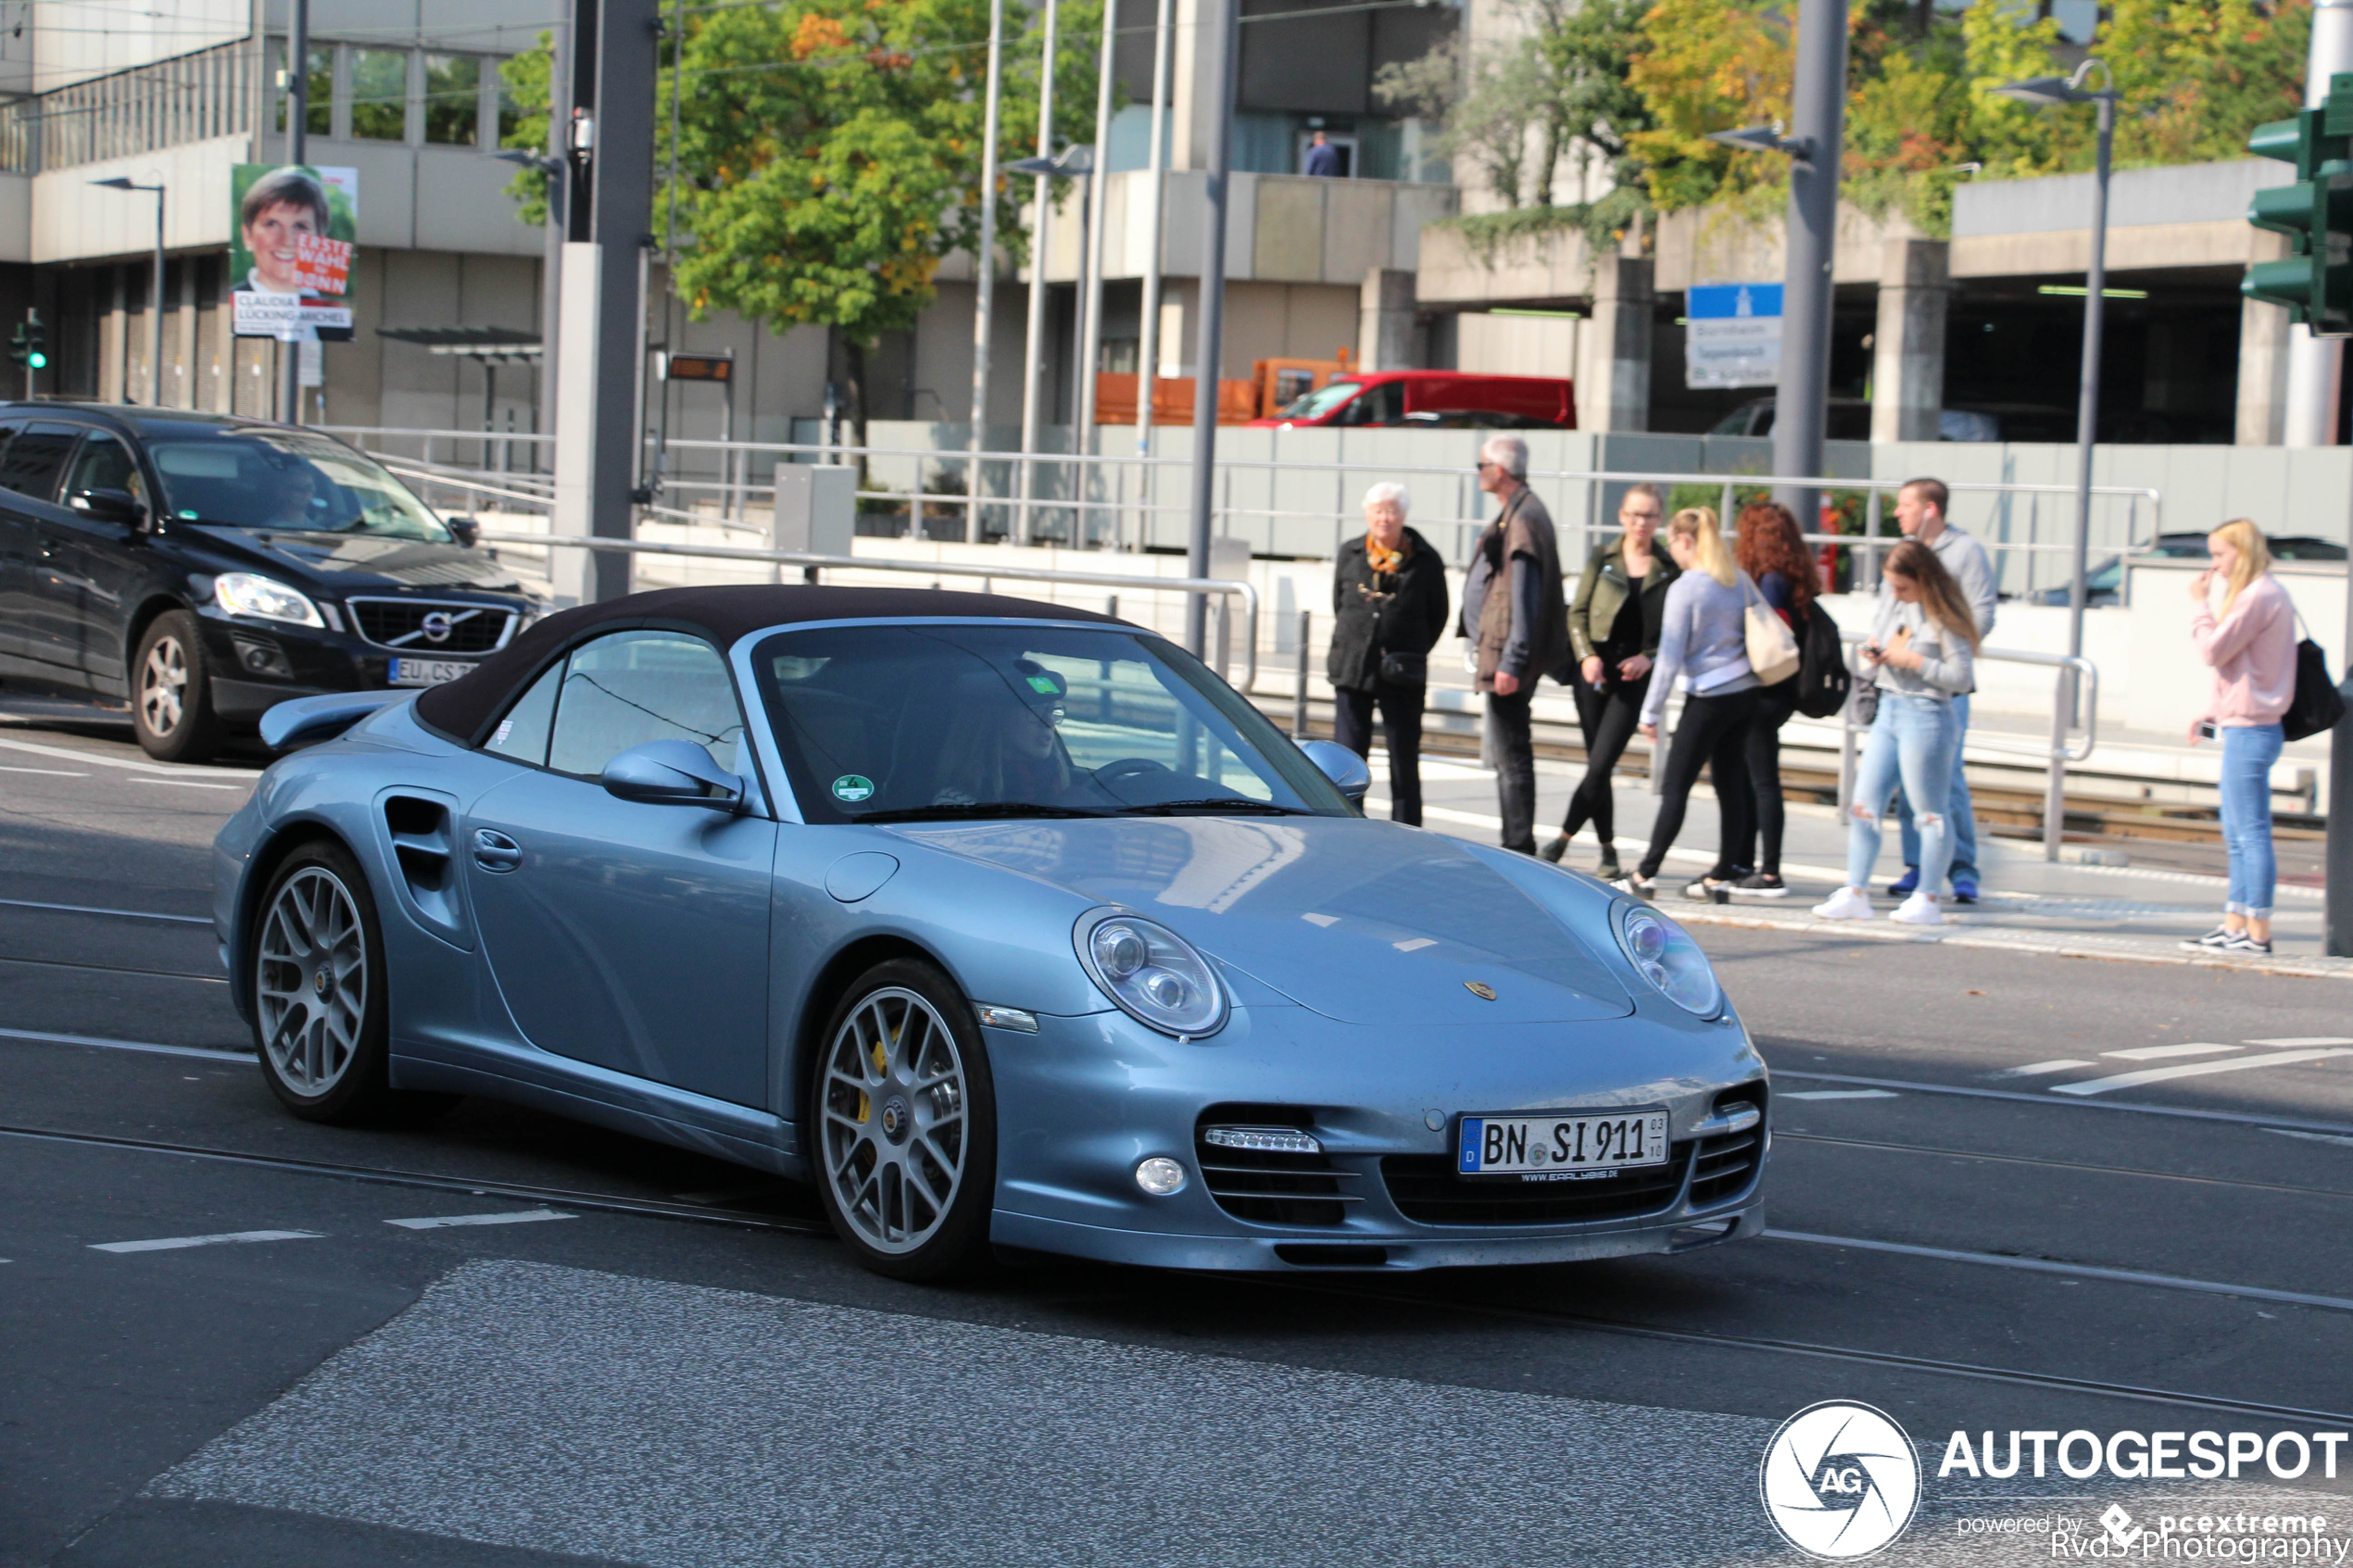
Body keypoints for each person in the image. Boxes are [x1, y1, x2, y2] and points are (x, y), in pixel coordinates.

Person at [1812, 539, 1981, 926]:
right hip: (1890, 706)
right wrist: (1876, 653)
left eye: (1903, 587)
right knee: (1864, 803)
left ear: (1923, 580)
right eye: (1891, 585)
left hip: (1927, 713)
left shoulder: (1945, 617)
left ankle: (1929, 896)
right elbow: (1886, 642)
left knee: (1929, 812)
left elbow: (1961, 677)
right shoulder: (1897, 606)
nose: (1896, 594)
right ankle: (1856, 890)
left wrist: (1916, 661)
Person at [1542, 482, 1677, 878]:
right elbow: (1577, 613)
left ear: (1659, 519)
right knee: (1596, 766)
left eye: (1649, 515)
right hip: (1595, 673)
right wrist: (1585, 656)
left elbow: (1674, 632)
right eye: (1634, 514)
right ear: (1622, 516)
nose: (1641, 522)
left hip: (1632, 677)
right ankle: (1608, 849)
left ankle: (1562, 840)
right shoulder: (1602, 557)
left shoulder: (1668, 568)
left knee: (1601, 764)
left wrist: (1648, 658)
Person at [1629, 508, 1759, 900]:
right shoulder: (1738, 579)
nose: (1673, 551)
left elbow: (1669, 656)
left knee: (1676, 786)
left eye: (1672, 543)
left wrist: (1650, 712)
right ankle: (1721, 875)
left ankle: (1645, 873)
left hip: (1707, 695)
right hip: (1746, 691)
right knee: (1730, 784)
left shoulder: (1686, 587)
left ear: (1685, 541)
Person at [2181, 520, 2296, 957]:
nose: (2215, 566)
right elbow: (2240, 666)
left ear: (2242, 552)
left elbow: (2213, 651)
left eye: (2219, 555)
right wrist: (2214, 712)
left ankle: (2257, 930)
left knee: (2250, 832)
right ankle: (2235, 924)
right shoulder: (2262, 594)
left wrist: (2199, 606)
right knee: (2236, 831)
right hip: (2244, 724)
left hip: (2254, 728)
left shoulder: (2258, 596)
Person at [1885, 477, 1995, 904]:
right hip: (1903, 685)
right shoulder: (1903, 555)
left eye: (1905, 505)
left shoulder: (1965, 552)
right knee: (1907, 783)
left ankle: (1963, 869)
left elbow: (1982, 612)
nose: (1898, 513)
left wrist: (1947, 643)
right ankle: (1917, 865)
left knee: (1946, 780)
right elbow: (1892, 611)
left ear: (1930, 509)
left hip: (1944, 688)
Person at [1461, 434, 1567, 854]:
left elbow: (1525, 597)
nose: (1479, 472)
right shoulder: (1518, 512)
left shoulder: (1523, 519)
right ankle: (1516, 840)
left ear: (1499, 471)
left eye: (1481, 465)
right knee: (1509, 755)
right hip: (1504, 651)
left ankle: (1518, 845)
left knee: (1512, 757)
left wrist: (1513, 660)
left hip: (1508, 657)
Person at [1328, 482, 1450, 825]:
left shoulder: (1425, 559)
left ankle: (1408, 828)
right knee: (1348, 756)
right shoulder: (1350, 553)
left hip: (1402, 671)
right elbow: (1339, 603)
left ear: (1403, 516)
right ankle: (1347, 823)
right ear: (1367, 514)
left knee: (1404, 757)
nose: (1385, 518)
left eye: (1392, 511)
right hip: (1353, 667)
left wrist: (1409, 649)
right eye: (1378, 511)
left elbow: (1438, 614)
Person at [1728, 499, 1816, 897]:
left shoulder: (1770, 582)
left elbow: (1771, 637)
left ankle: (1767, 871)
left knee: (1761, 781)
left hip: (1764, 693)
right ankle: (1747, 862)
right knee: (1753, 778)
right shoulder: (1788, 576)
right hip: (1778, 693)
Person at [235, 168, 334, 297]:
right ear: (247, 236)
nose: (287, 241)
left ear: (321, 240)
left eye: (300, 226)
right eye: (272, 224)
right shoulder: (232, 308)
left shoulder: (331, 311)